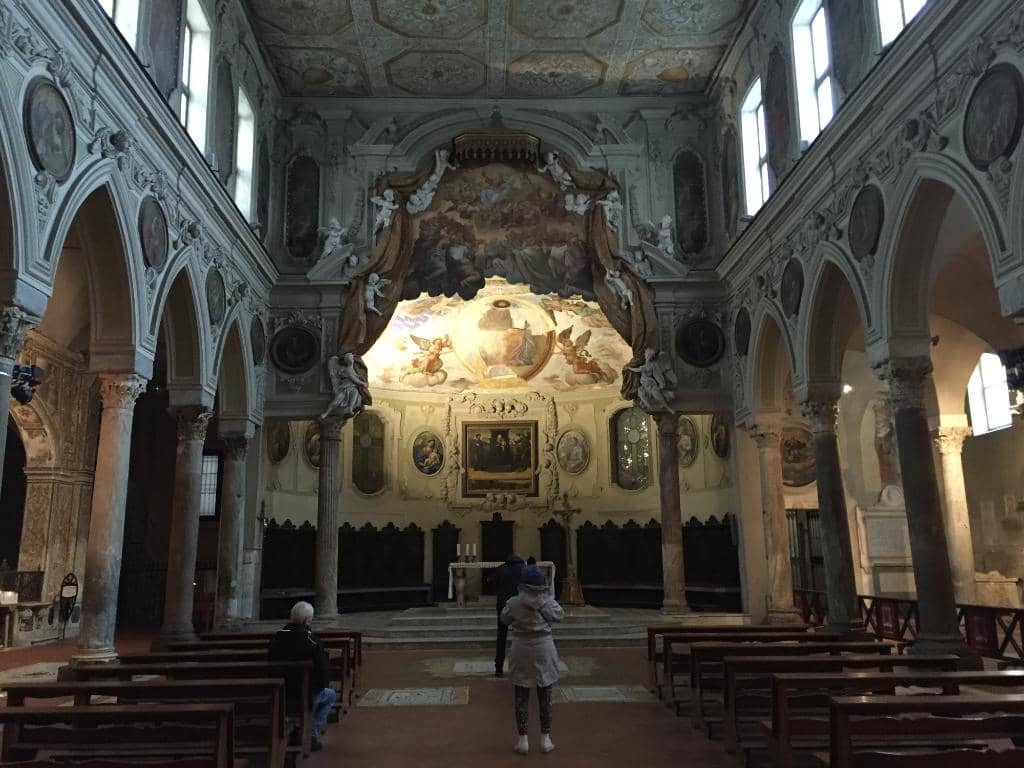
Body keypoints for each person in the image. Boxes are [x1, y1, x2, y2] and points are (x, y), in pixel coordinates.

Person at [501, 564, 565, 755]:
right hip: (543, 647)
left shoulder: (513, 602)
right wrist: (544, 605)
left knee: (521, 696)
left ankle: (523, 741)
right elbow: (560, 616)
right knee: (545, 695)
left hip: (521, 648)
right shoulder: (548, 601)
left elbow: (504, 619)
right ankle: (545, 740)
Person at [268, 601, 335, 752]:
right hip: (304, 694)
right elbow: (322, 674)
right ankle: (310, 733)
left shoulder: (276, 639)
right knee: (330, 695)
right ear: (307, 621)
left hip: (278, 692)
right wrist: (320, 685)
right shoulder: (311, 641)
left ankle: (295, 727)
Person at [491, 553, 525, 677]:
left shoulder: (501, 569)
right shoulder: (523, 569)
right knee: (521, 635)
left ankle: (498, 667)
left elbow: (494, 585)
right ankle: (522, 667)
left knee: (501, 636)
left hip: (503, 605)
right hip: (520, 605)